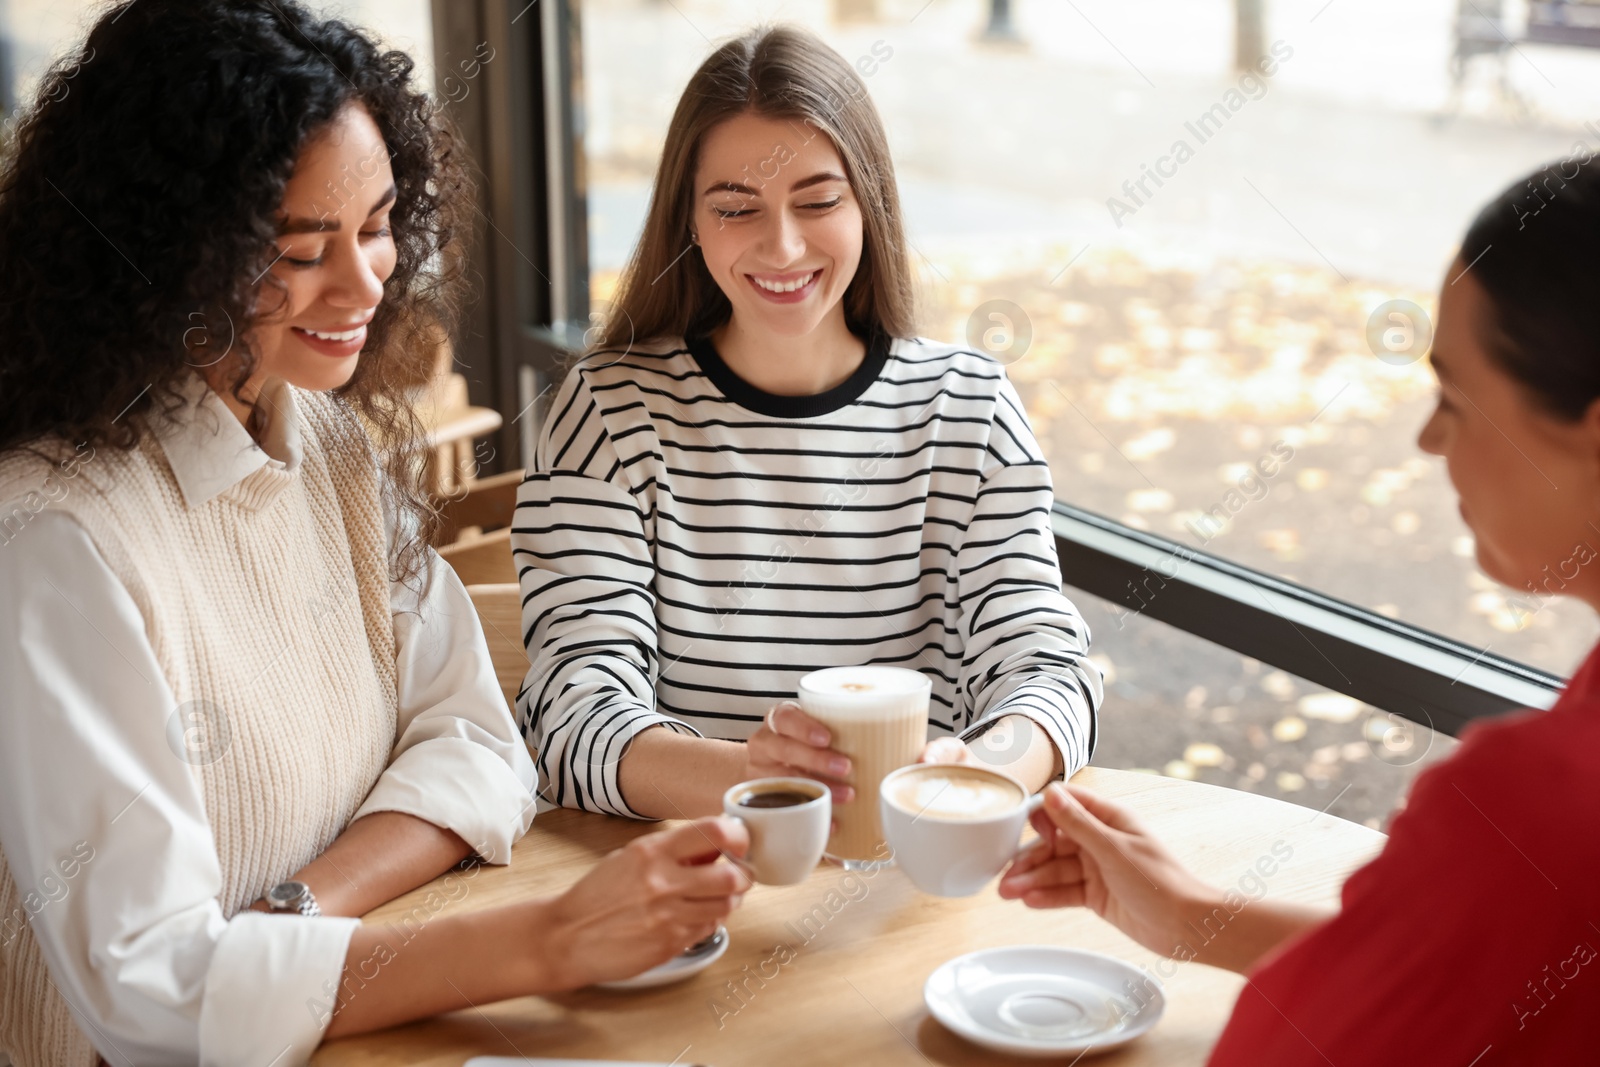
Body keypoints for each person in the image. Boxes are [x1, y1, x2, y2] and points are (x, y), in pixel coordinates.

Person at [0, 3, 748, 1065]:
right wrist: (548, 936)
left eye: (379, 223)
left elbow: (479, 743)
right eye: (303, 249)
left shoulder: (324, 440)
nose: (366, 281)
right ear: (170, 257)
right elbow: (154, 992)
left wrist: (296, 910)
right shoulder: (55, 541)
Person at [998, 160, 1600, 1064]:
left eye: (1454, 395)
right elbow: (1474, 968)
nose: (1430, 439)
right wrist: (1195, 914)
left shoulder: (1533, 804)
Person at [512, 25, 1104, 821]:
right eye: (735, 207)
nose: (782, 246)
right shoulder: (610, 412)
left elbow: (1048, 671)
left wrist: (980, 766)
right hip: (690, 888)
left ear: (870, 203)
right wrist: (756, 780)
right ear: (688, 218)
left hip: (913, 882)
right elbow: (569, 716)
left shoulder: (970, 409)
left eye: (819, 201)